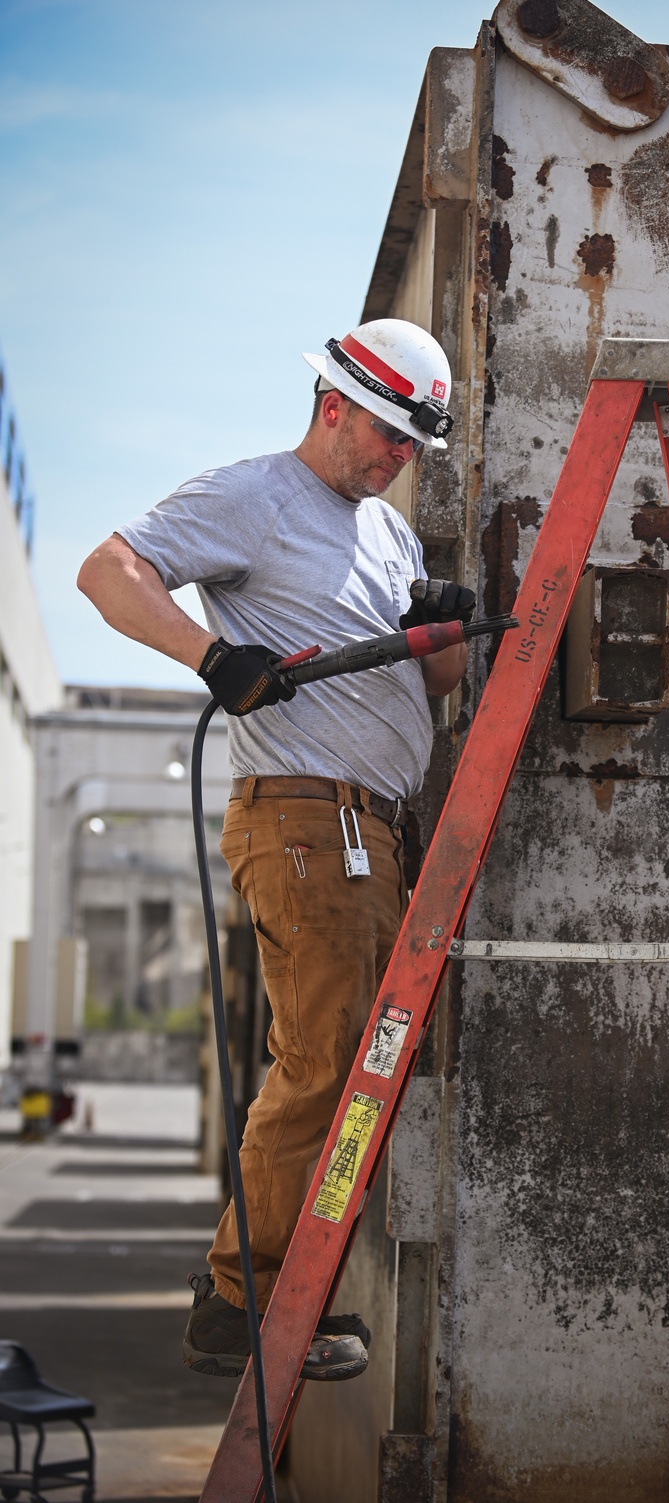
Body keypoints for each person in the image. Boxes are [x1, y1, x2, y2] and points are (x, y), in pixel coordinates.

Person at [77, 318, 475, 1382]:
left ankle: (281, 1291)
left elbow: (427, 689)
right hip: (309, 817)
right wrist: (213, 656)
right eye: (388, 436)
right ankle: (240, 1297)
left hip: (373, 826)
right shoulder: (253, 493)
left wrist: (437, 629)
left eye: (411, 447)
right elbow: (108, 570)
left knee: (359, 1060)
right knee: (330, 1052)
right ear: (332, 404)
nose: (398, 460)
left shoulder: (388, 537)